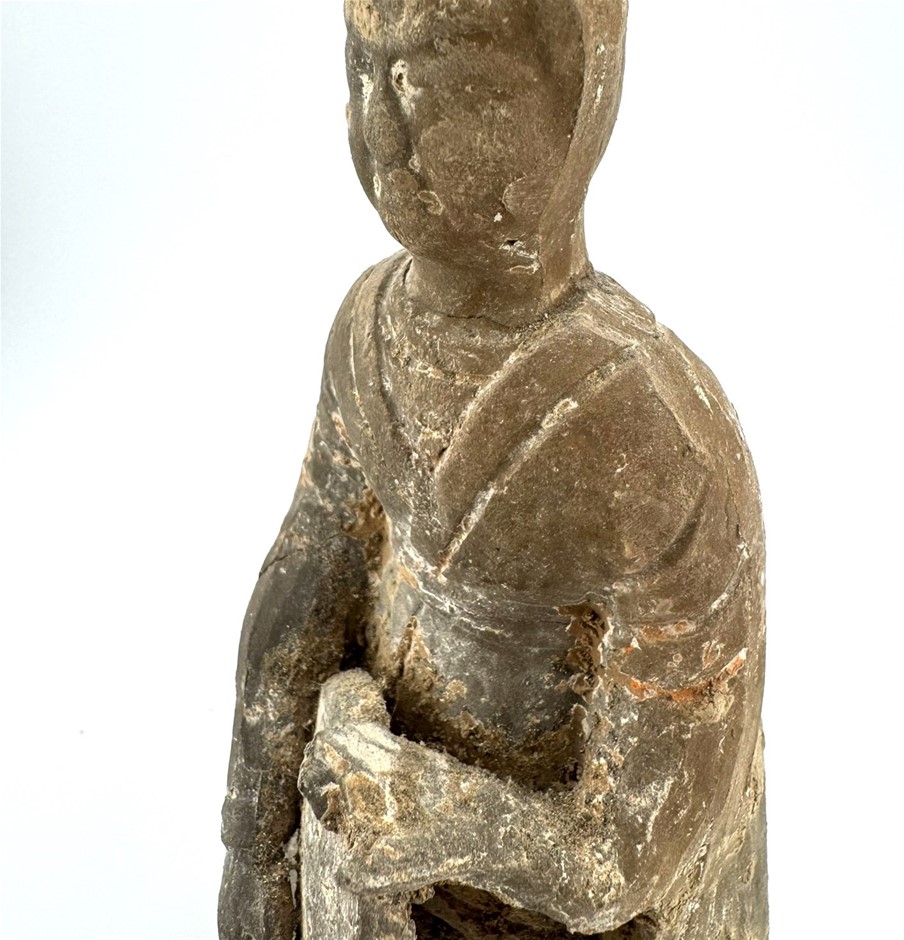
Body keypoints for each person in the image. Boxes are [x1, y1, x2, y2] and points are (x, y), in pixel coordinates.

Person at [220, 2, 768, 937]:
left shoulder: (653, 441)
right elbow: (307, 582)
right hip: (375, 854)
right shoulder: (366, 330)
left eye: (446, 85)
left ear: (576, 106)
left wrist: (442, 814)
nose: (386, 132)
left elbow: (628, 854)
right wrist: (254, 841)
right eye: (367, 70)